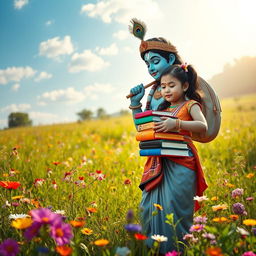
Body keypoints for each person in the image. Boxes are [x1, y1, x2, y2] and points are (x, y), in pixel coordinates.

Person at [129, 36, 208, 254]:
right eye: (147, 64)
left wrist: (177, 123)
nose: (165, 90)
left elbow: (203, 126)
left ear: (184, 85)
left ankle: (178, 250)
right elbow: (142, 127)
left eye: (155, 61)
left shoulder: (190, 104)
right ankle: (155, 249)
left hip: (181, 160)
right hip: (157, 161)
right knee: (149, 208)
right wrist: (136, 104)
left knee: (175, 209)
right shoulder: (160, 103)